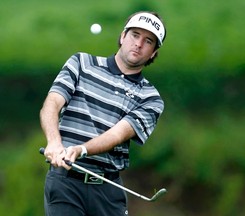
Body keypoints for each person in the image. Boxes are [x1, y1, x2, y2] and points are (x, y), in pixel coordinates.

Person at [40, 11, 167, 216]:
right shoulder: (81, 63)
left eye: (148, 41)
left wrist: (81, 150)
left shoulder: (151, 98)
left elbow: (117, 134)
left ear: (153, 52)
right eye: (135, 35)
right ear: (122, 36)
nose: (139, 44)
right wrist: (54, 141)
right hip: (65, 184)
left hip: (108, 189)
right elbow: (52, 103)